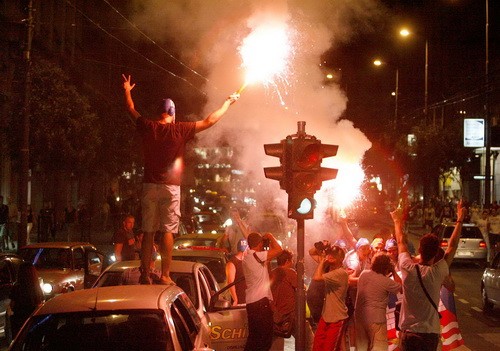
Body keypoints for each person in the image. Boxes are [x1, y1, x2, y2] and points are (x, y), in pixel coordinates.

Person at [122, 74, 240, 285]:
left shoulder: (149, 127)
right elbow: (210, 120)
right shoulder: (180, 129)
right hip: (171, 187)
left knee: (148, 231)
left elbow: (132, 111)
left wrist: (127, 91)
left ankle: (145, 272)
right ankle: (165, 275)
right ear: (172, 113)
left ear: (159, 112)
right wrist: (227, 103)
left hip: (149, 185)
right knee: (168, 230)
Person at [391, 199, 466, 351]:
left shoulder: (407, 268)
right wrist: (460, 219)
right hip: (429, 335)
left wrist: (397, 220)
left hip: (408, 333)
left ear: (419, 249)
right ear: (437, 252)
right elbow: (452, 246)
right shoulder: (437, 272)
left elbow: (400, 242)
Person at [242, 232, 282, 351]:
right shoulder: (258, 256)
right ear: (259, 244)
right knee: (265, 339)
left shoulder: (247, 258)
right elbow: (279, 250)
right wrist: (270, 236)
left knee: (254, 338)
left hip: (251, 303)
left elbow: (265, 267)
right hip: (261, 303)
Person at [354, 252, 402, 351]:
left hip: (359, 317)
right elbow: (401, 287)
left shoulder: (364, 274)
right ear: (387, 267)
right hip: (376, 320)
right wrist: (393, 271)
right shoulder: (386, 281)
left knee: (361, 348)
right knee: (379, 348)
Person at [311, 245, 348, 351]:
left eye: (334, 255)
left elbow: (316, 278)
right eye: (331, 254)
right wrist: (323, 247)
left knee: (329, 348)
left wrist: (323, 260)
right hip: (326, 316)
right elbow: (311, 252)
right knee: (317, 347)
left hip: (337, 317)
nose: (331, 256)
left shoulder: (340, 273)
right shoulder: (329, 268)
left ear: (341, 259)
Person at [9, 262, 44, 338]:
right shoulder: (36, 288)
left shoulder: (17, 288)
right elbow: (41, 303)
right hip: (32, 321)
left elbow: (12, 305)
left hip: (19, 321)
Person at [226, 238, 248, 305]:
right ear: (245, 249)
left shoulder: (246, 261)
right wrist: (235, 299)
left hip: (248, 300)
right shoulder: (232, 263)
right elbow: (230, 283)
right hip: (240, 301)